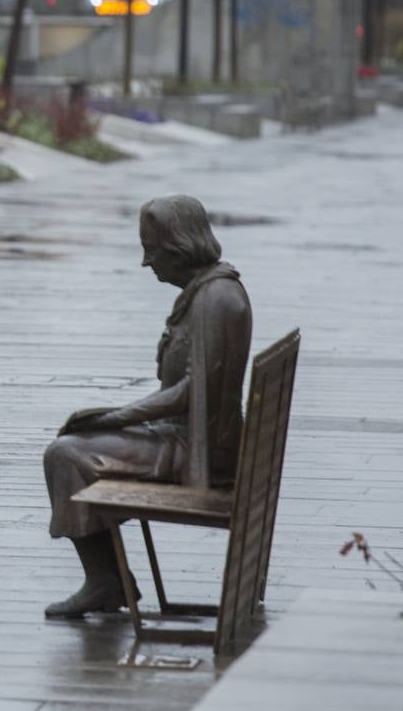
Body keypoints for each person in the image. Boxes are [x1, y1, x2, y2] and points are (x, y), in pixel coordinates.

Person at [42, 196, 252, 618]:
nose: (145, 262)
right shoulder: (207, 291)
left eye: (151, 250)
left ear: (178, 247)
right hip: (188, 438)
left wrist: (119, 415)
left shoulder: (216, 300)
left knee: (65, 453)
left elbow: (194, 392)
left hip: (198, 454)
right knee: (77, 439)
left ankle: (106, 582)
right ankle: (108, 579)